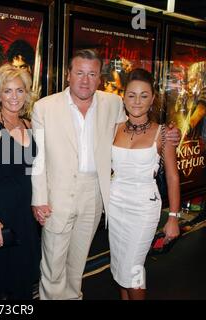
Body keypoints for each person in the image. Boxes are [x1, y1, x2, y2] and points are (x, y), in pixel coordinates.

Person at [31, 49, 180, 300]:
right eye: (79, 73)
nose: (85, 80)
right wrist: (39, 198)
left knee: (77, 267)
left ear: (100, 77)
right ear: (68, 74)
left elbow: (141, 122)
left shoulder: (112, 103)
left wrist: (171, 134)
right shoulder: (44, 107)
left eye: (92, 74)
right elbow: (38, 158)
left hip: (96, 195)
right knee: (53, 267)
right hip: (56, 197)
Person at [108, 68, 180, 300]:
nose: (137, 101)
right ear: (124, 97)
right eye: (131, 95)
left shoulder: (163, 134)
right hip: (115, 205)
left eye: (143, 95)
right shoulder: (114, 128)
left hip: (143, 208)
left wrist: (173, 218)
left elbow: (172, 176)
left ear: (152, 100)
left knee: (134, 267)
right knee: (119, 266)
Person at [0, 64, 40, 299]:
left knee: (22, 279)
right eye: (8, 91)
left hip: (26, 214)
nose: (14, 97)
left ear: (27, 94)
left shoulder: (29, 125)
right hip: (1, 213)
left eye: (20, 91)